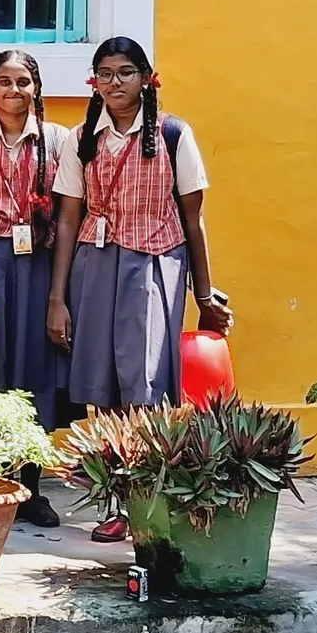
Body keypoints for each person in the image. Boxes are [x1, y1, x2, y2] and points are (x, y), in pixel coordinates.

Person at [48, 37, 226, 542]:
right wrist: (58, 297)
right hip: (95, 264)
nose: (114, 83)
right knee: (102, 386)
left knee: (143, 384)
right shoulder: (83, 137)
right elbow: (67, 220)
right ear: (93, 81)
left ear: (147, 78)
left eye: (125, 72)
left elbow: (193, 221)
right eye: (104, 73)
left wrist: (206, 295)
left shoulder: (172, 135)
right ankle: (117, 500)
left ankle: (149, 497)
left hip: (153, 263)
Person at [0, 49, 75, 527]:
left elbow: (74, 212)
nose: (15, 91)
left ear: (37, 88)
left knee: (33, 370)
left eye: (24, 82)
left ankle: (30, 486)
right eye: (5, 82)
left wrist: (60, 294)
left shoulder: (59, 141)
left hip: (39, 267)